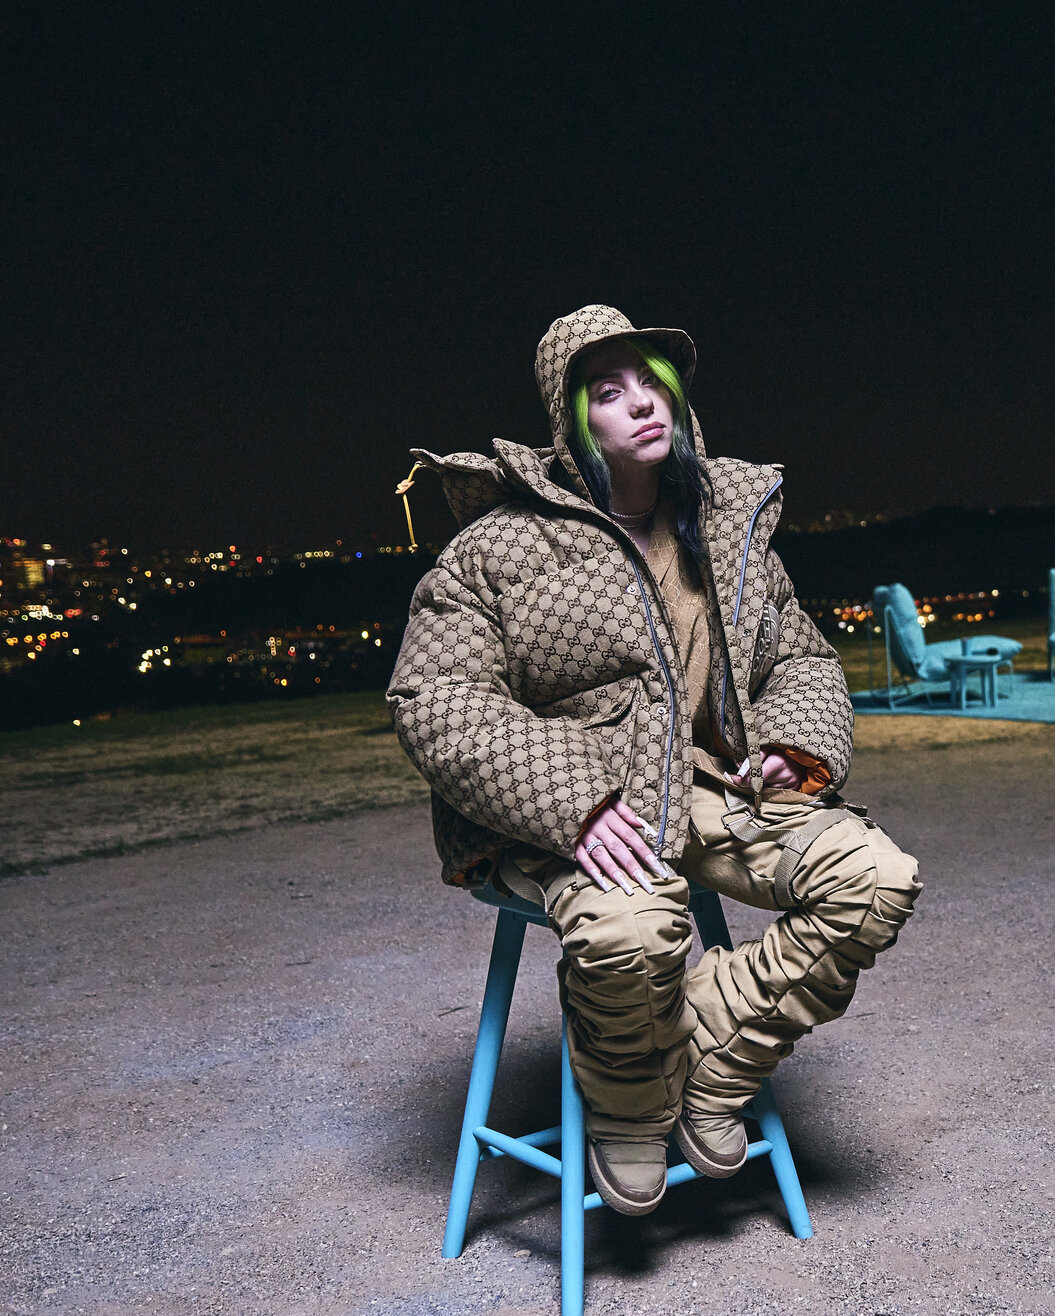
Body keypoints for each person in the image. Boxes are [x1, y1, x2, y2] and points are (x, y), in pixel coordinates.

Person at [389, 305, 920, 1216]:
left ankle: (713, 1059)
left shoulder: (727, 528)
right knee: (629, 934)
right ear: (570, 424)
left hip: (714, 787)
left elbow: (800, 657)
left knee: (875, 878)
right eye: (609, 391)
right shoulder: (497, 549)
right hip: (579, 807)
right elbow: (433, 699)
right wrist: (576, 802)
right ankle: (630, 1109)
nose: (641, 402)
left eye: (652, 383)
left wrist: (792, 749)